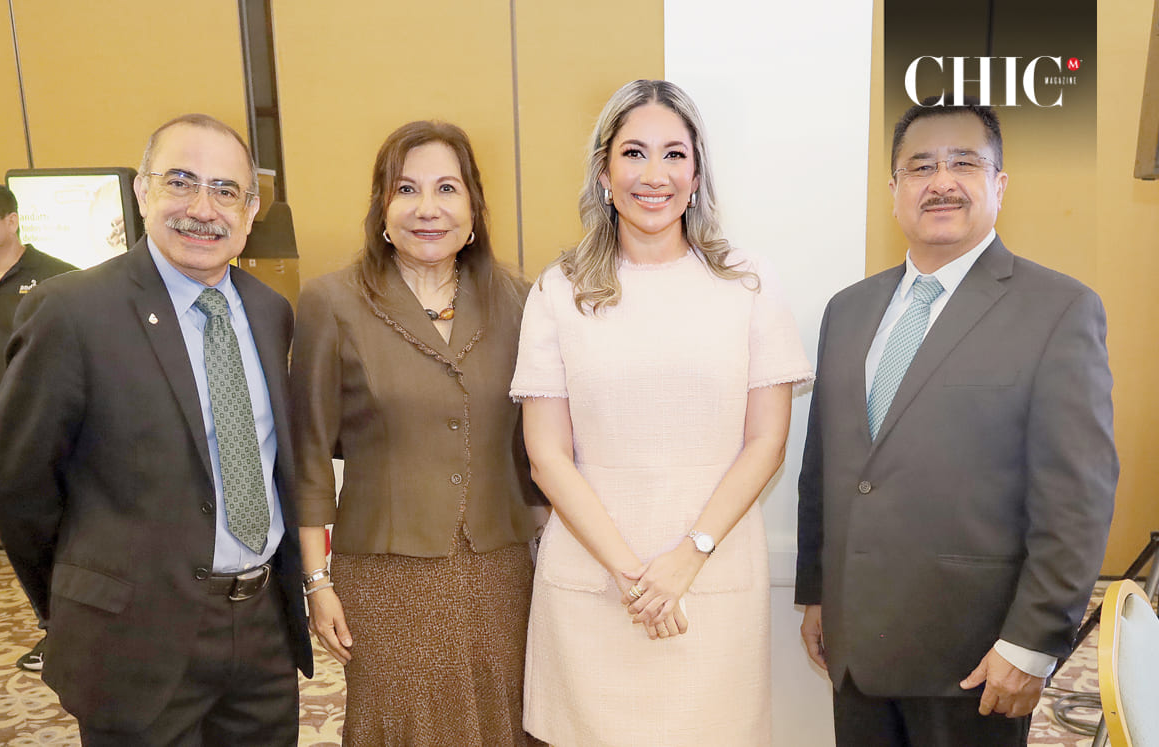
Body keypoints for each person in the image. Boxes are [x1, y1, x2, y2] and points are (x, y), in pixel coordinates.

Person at [0, 113, 313, 744]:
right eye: (180, 182)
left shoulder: (270, 312)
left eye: (225, 190)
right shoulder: (71, 312)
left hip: (263, 631)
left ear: (251, 208)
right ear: (142, 192)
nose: (202, 208)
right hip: (134, 637)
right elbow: (15, 484)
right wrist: (85, 595)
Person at [795, 100, 1117, 746]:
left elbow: (1076, 498)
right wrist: (816, 592)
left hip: (974, 657)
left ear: (999, 185)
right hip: (857, 648)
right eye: (920, 167)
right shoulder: (849, 311)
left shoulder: (1059, 310)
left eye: (964, 163)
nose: (940, 181)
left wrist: (1032, 641)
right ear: (894, 192)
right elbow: (824, 466)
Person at [510, 79, 814, 746]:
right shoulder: (559, 290)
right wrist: (632, 574)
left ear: (697, 171)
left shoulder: (747, 281)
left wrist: (685, 558)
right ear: (604, 169)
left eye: (674, 154)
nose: (654, 175)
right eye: (634, 153)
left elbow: (766, 442)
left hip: (711, 579)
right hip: (594, 581)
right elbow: (547, 454)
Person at [291, 120, 544, 746]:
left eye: (447, 189)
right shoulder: (333, 301)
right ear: (382, 205)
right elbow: (308, 456)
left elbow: (533, 443)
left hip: (502, 565)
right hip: (386, 571)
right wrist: (316, 582)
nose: (427, 209)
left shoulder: (520, 300)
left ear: (474, 207)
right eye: (406, 189)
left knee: (505, 719)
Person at [0, 179, 75, 670]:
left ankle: (91, 627)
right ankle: (56, 632)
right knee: (20, 535)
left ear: (10, 221)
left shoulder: (60, 278)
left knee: (71, 531)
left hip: (56, 432)